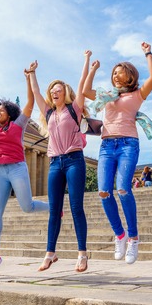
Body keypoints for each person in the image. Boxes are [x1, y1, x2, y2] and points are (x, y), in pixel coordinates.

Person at [83, 41, 152, 265]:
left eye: (120, 72)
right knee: (104, 192)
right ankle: (120, 235)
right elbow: (86, 91)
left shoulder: (137, 94)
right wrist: (92, 69)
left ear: (130, 76)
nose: (116, 76)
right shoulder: (107, 95)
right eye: (114, 73)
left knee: (123, 188)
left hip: (128, 144)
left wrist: (148, 53)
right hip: (106, 146)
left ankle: (134, 237)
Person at [0, 73, 49, 280]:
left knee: (27, 207)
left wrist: (28, 78)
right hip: (0, 172)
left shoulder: (19, 125)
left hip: (17, 168)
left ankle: (53, 208)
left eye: (1, 110)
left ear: (10, 113)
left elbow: (31, 102)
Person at [25, 52, 90, 273]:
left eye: (58, 90)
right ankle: (50, 253)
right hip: (55, 163)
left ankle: (82, 254)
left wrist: (86, 61)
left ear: (65, 94)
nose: (54, 92)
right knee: (55, 210)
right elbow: (35, 92)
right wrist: (33, 73)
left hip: (74, 161)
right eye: (52, 91)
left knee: (76, 207)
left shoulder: (75, 109)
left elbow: (81, 85)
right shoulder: (49, 112)